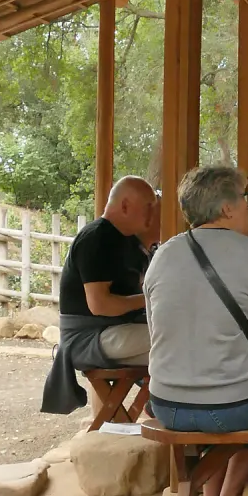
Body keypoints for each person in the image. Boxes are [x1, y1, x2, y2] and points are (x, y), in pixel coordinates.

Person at [143, 165, 248, 496]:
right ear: (226, 208)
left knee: (215, 406)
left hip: (166, 404)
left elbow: (155, 328)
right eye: (244, 198)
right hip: (235, 407)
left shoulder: (161, 256)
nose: (247, 206)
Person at [41, 176, 157, 414]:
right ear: (125, 206)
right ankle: (166, 405)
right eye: (148, 206)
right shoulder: (96, 238)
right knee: (179, 340)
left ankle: (162, 403)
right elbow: (100, 305)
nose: (153, 213)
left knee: (183, 346)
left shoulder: (127, 242)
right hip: (89, 337)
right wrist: (150, 298)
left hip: (117, 332)